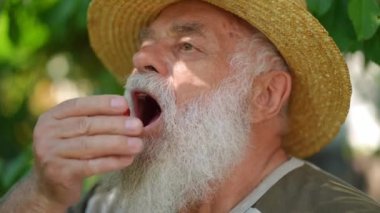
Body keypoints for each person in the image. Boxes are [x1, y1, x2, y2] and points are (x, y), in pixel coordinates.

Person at [1, 0, 380, 212]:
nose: (141, 57)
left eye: (186, 46)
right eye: (145, 43)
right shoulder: (111, 202)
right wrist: (42, 193)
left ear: (264, 95)